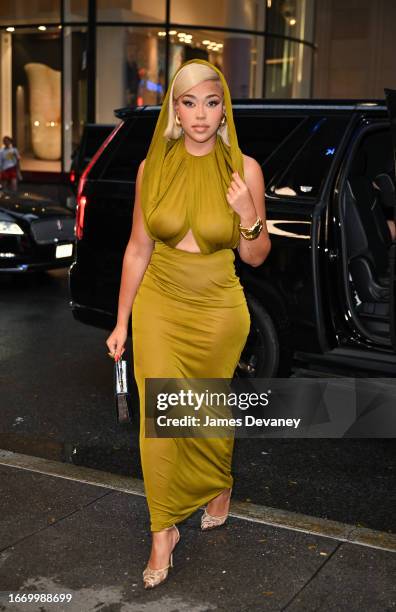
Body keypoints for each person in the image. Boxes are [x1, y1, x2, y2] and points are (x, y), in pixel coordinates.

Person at [105, 58, 271, 589]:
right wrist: (122, 321)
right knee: (160, 417)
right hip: (160, 301)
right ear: (175, 110)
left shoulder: (245, 169)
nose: (200, 114)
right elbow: (137, 248)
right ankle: (162, 530)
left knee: (205, 413)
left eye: (211, 101)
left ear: (224, 109)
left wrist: (248, 216)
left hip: (220, 307)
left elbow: (257, 258)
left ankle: (217, 482)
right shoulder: (152, 168)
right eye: (188, 102)